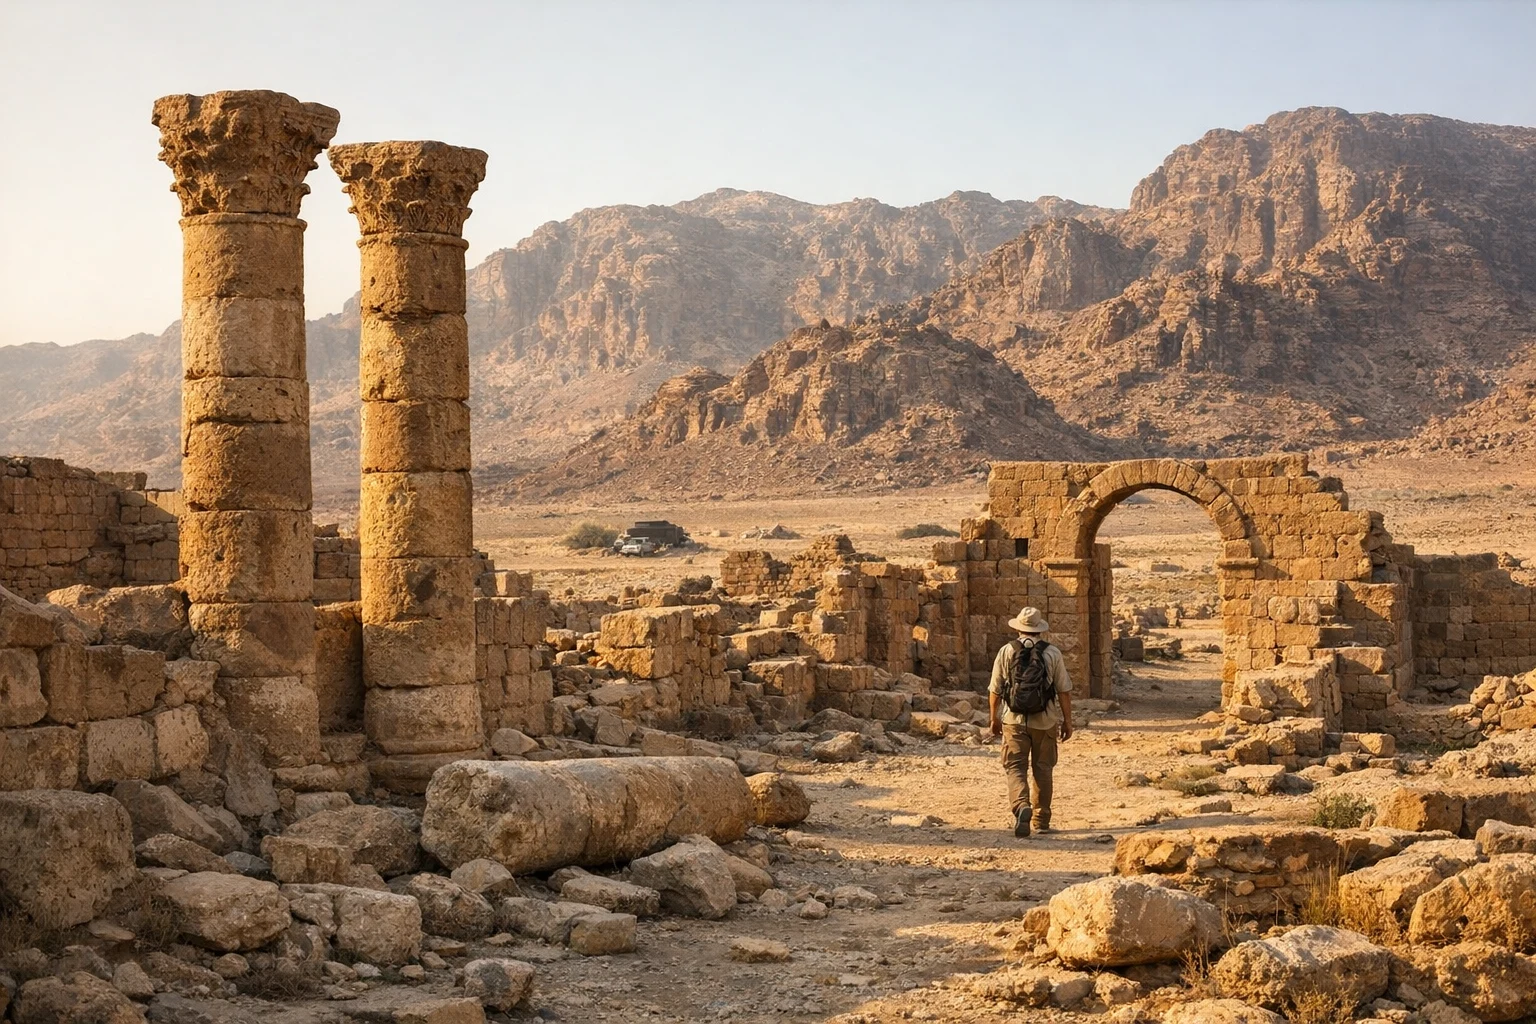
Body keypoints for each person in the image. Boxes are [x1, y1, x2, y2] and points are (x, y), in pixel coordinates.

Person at [988, 606, 1073, 838]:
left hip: (1013, 720)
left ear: (1018, 628)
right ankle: (1041, 820)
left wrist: (993, 719)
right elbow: (1063, 690)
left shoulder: (1006, 651)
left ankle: (1021, 806)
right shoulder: (1052, 653)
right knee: (1043, 768)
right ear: (1039, 630)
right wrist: (1067, 722)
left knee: (1015, 766)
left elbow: (995, 689)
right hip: (1045, 721)